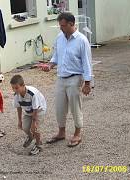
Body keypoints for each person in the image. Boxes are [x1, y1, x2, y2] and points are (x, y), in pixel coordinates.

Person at [41, 12, 92, 147]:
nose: (60, 28)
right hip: (61, 77)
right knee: (60, 107)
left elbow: (87, 63)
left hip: (75, 78)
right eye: (60, 25)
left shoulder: (82, 40)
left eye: (63, 25)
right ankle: (61, 132)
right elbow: (57, 56)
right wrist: (50, 65)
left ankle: (77, 133)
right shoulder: (60, 37)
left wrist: (87, 83)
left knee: (75, 107)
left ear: (71, 24)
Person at [10, 75, 47, 155]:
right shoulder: (16, 95)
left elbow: (35, 109)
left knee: (34, 129)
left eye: (16, 88)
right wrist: (19, 120)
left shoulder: (32, 93)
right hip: (28, 111)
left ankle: (38, 144)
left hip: (39, 110)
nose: (14, 90)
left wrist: (34, 123)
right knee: (25, 127)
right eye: (13, 88)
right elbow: (18, 107)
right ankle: (31, 136)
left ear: (23, 85)